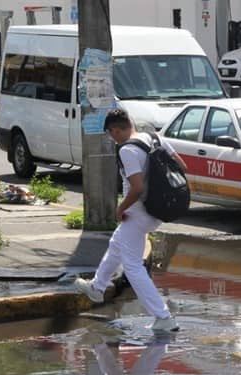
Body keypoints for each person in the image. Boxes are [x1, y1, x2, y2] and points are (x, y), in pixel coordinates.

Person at [74, 109, 187, 333]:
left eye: (111, 133)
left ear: (116, 129)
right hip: (156, 210)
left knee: (133, 266)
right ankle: (97, 287)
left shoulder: (127, 150)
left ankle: (163, 316)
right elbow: (182, 167)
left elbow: (137, 188)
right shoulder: (154, 138)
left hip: (138, 213)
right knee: (117, 243)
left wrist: (121, 208)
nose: (112, 137)